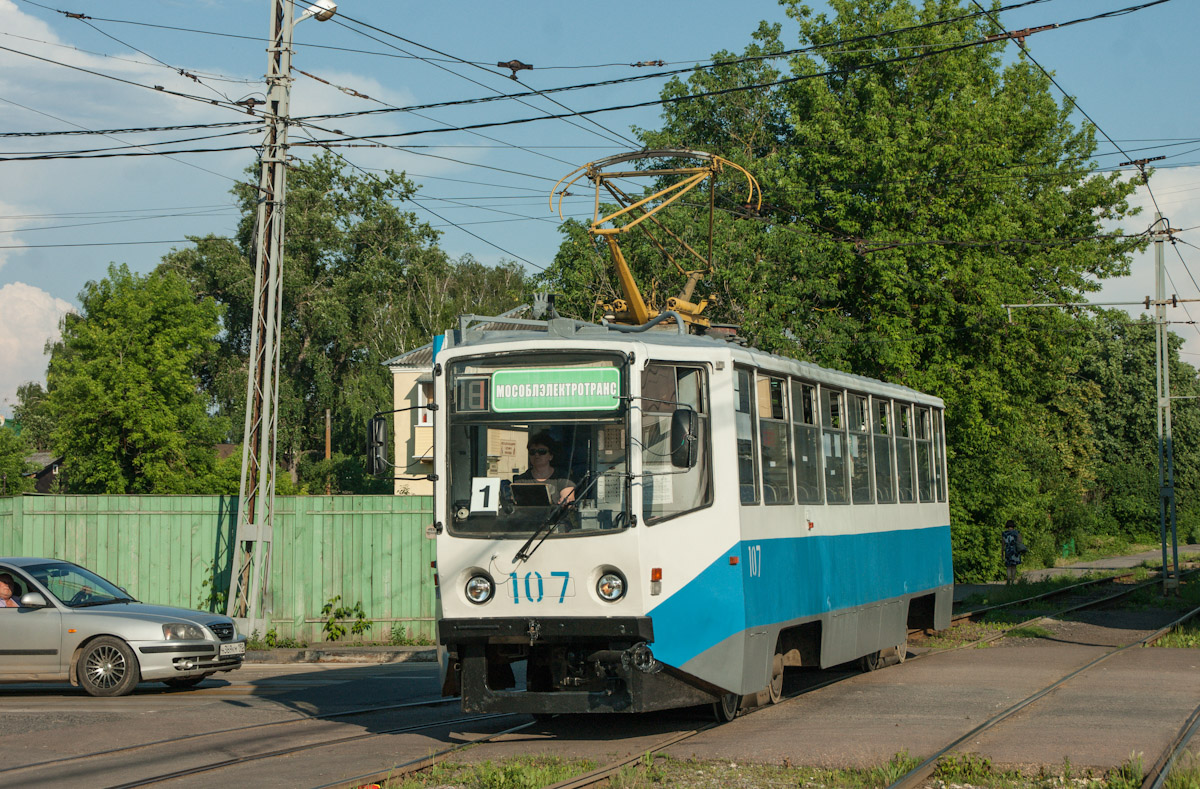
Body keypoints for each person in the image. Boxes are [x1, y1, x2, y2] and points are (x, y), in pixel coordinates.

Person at [515, 431, 576, 505]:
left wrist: (565, 502)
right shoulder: (521, 480)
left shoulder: (563, 478)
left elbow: (568, 498)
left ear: (551, 456)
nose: (536, 455)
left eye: (542, 451)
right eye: (532, 452)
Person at [1001, 520, 1028, 584]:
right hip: (1015, 550)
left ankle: (1008, 579)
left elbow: (1003, 544)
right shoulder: (1017, 533)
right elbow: (1020, 541)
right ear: (1013, 525)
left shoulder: (1004, 533)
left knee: (1008, 566)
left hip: (1008, 550)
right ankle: (1012, 581)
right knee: (1014, 566)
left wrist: (1002, 552)